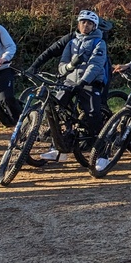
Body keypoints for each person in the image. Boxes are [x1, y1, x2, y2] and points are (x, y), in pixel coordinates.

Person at [50, 10, 110, 163]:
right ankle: (57, 148)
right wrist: (70, 66)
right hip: (70, 81)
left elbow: (95, 65)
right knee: (54, 109)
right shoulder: (72, 42)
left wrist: (83, 82)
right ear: (78, 23)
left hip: (89, 83)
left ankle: (103, 154)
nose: (86, 25)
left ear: (94, 26)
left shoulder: (99, 42)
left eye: (89, 23)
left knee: (93, 116)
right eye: (83, 22)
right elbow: (62, 65)